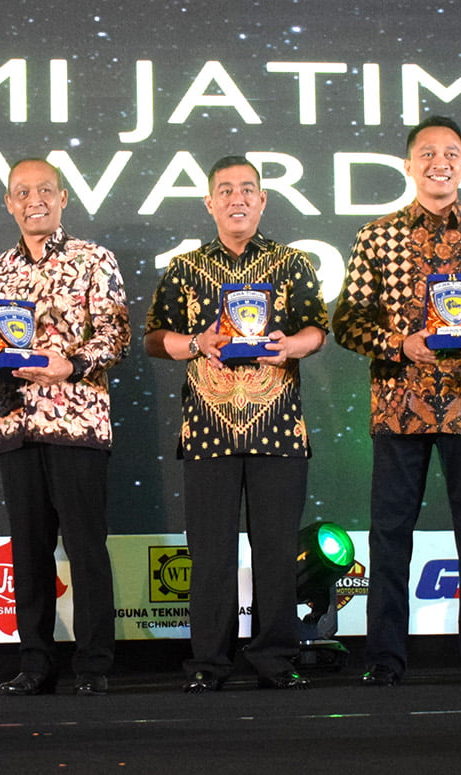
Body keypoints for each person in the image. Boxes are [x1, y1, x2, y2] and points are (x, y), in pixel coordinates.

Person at [331, 116, 461, 688]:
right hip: (400, 405)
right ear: (408, 165)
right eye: (427, 153)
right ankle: (384, 660)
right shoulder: (377, 237)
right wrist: (400, 344)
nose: (439, 162)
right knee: (390, 535)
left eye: (451, 153)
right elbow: (347, 321)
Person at [144, 156, 327, 693]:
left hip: (279, 427)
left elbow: (317, 329)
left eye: (247, 189)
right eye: (225, 190)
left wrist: (291, 346)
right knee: (210, 554)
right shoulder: (184, 268)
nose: (237, 198)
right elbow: (154, 337)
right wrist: (195, 343)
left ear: (263, 200)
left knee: (277, 552)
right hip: (208, 429)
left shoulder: (292, 263)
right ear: (209, 203)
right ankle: (209, 663)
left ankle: (275, 659)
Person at [0, 159, 129, 697]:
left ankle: (94, 665)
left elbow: (116, 334)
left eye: (44, 190)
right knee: (29, 554)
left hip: (77, 422)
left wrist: (71, 364)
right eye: (21, 192)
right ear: (9, 203)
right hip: (16, 425)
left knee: (86, 549)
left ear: (62, 197)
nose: (33, 199)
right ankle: (35, 664)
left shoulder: (93, 258)